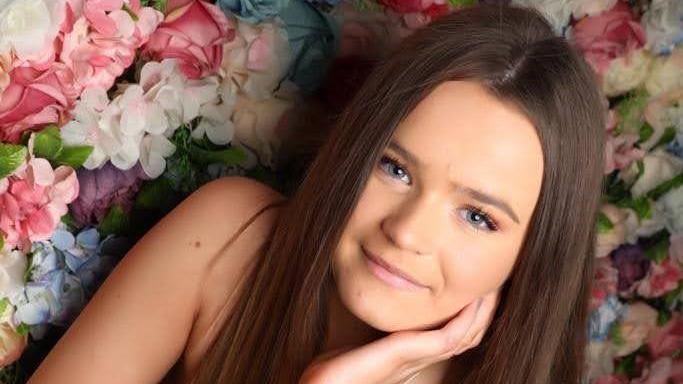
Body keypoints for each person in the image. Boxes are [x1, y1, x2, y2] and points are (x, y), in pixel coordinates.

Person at [27, 3, 606, 384]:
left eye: (478, 217)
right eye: (395, 169)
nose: (407, 232)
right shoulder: (231, 237)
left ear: (534, 255)